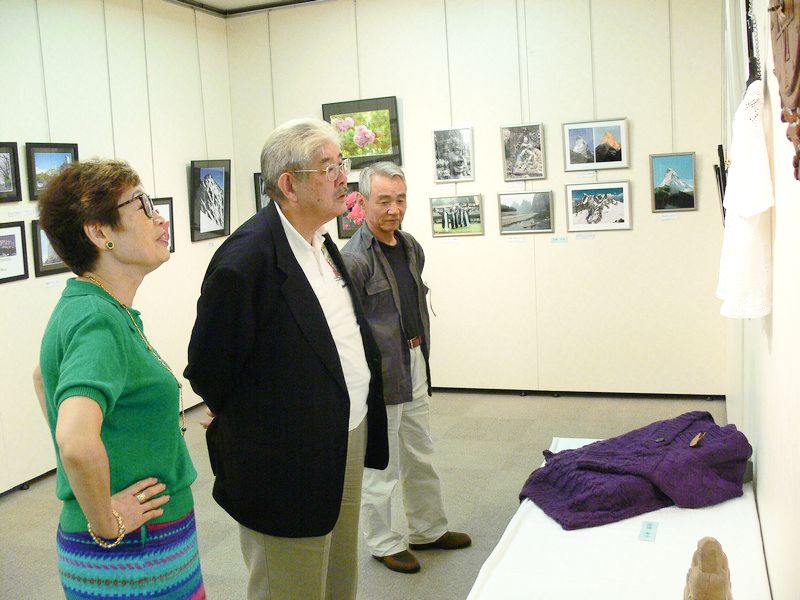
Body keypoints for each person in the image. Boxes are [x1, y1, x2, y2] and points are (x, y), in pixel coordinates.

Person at [184, 118, 389, 600]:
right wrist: (253, 418)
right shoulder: (246, 260)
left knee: (338, 575)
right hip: (285, 458)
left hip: (345, 434)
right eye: (328, 167)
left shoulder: (320, 241)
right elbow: (209, 368)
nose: (343, 176)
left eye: (342, 163)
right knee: (290, 583)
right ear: (289, 185)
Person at [35, 159, 205, 598]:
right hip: (134, 554)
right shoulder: (98, 319)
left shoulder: (94, 306)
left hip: (143, 546)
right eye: (142, 205)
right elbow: (75, 440)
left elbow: (41, 377)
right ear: (99, 233)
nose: (160, 218)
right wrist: (107, 521)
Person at [342, 162, 471, 574]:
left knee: (420, 453)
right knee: (382, 464)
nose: (393, 209)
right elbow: (347, 326)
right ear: (362, 202)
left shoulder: (411, 245)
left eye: (400, 200)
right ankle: (382, 542)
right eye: (384, 201)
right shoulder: (354, 258)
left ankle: (428, 529)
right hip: (380, 374)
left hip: (414, 361)